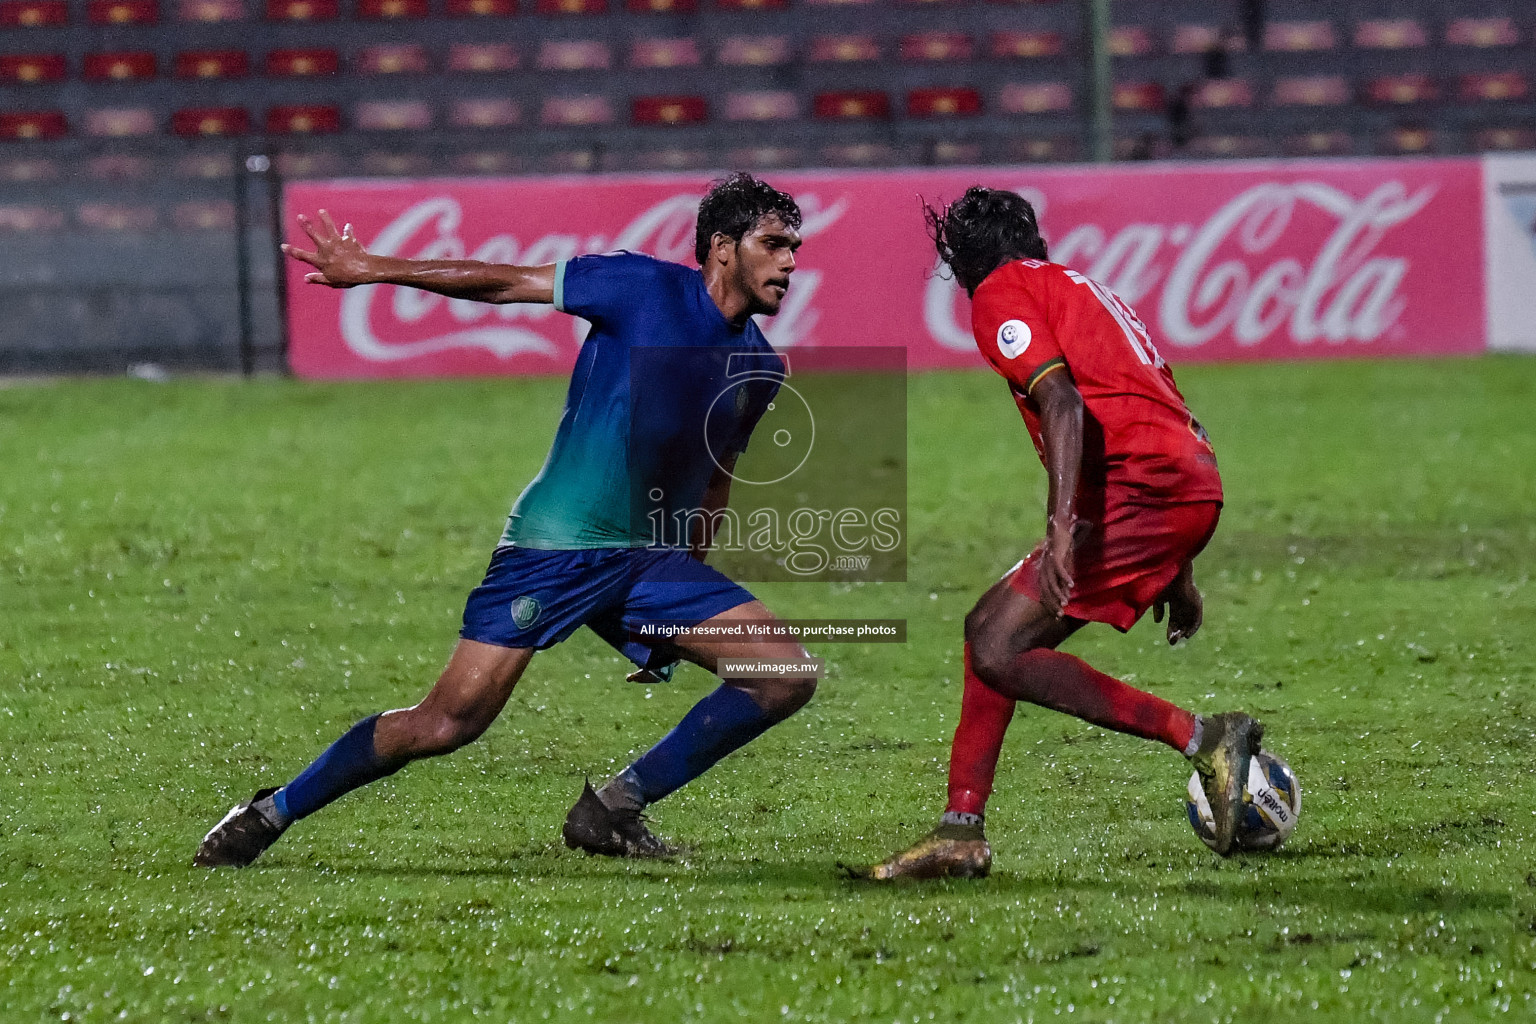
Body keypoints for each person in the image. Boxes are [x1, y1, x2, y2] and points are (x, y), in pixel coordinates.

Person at [195, 173, 819, 867]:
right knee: (446, 722)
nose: (790, 262)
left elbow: (714, 483)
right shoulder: (639, 287)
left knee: (783, 674)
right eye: (774, 243)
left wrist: (677, 613)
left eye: (794, 246)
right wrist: (375, 269)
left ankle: (613, 808)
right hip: (555, 546)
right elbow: (502, 282)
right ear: (722, 249)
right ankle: (270, 810)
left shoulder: (759, 367)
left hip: (649, 564)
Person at [865, 187, 1264, 878]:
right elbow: (1151, 397)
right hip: (1185, 482)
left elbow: (1064, 404)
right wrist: (1181, 565)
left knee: (996, 641)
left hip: (1144, 490)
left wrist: (1060, 532)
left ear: (962, 262)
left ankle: (1205, 736)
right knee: (991, 632)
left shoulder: (999, 293)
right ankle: (960, 831)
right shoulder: (1086, 290)